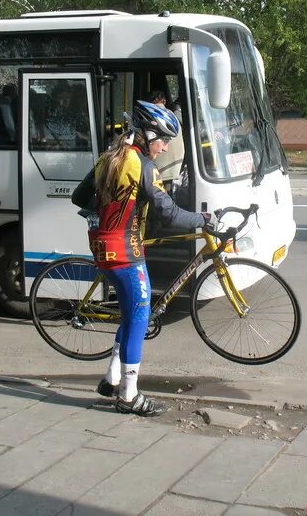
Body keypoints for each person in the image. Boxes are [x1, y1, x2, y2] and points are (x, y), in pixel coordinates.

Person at [72, 100, 212, 417]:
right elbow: (169, 213)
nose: (164, 148)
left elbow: (79, 198)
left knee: (128, 313)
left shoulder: (108, 160)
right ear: (147, 135)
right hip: (125, 253)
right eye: (162, 140)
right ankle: (128, 396)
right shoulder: (142, 167)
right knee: (139, 318)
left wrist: (107, 210)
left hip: (102, 248)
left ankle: (111, 378)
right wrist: (203, 220)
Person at [149, 90, 185, 189]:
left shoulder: (151, 114)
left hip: (162, 166)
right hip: (177, 162)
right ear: (164, 101)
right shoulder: (173, 114)